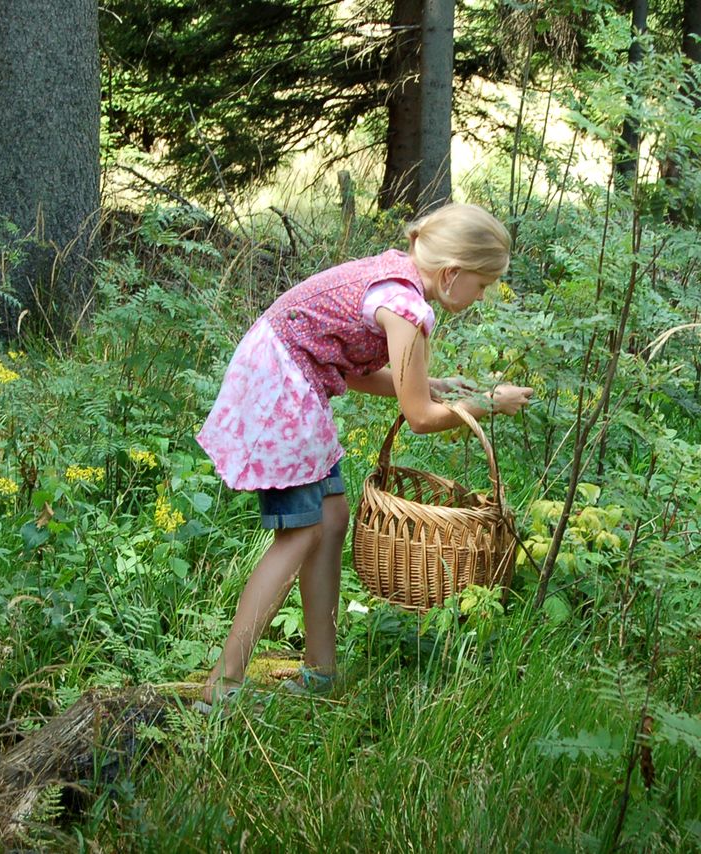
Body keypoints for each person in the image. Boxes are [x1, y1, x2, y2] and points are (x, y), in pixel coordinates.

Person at [195, 203, 534, 708]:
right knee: (301, 532)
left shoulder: (398, 278)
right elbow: (419, 418)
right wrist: (487, 404)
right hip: (282, 386)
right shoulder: (406, 308)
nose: (481, 296)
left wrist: (432, 383)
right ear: (454, 273)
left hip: (291, 375)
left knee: (331, 517)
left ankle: (321, 672)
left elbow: (351, 369)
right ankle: (223, 684)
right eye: (482, 285)